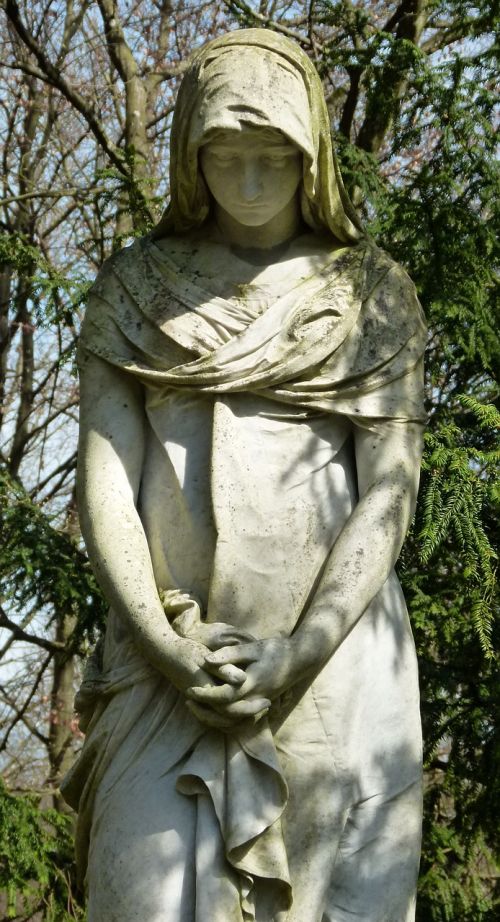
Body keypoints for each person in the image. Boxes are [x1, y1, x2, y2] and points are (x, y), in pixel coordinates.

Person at [62, 28, 427, 922]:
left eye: (275, 158)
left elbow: (389, 490)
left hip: (331, 665)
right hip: (165, 665)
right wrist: (163, 643)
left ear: (312, 159)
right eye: (228, 158)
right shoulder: (137, 288)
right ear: (192, 156)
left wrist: (300, 651)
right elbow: (105, 479)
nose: (254, 185)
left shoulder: (370, 293)